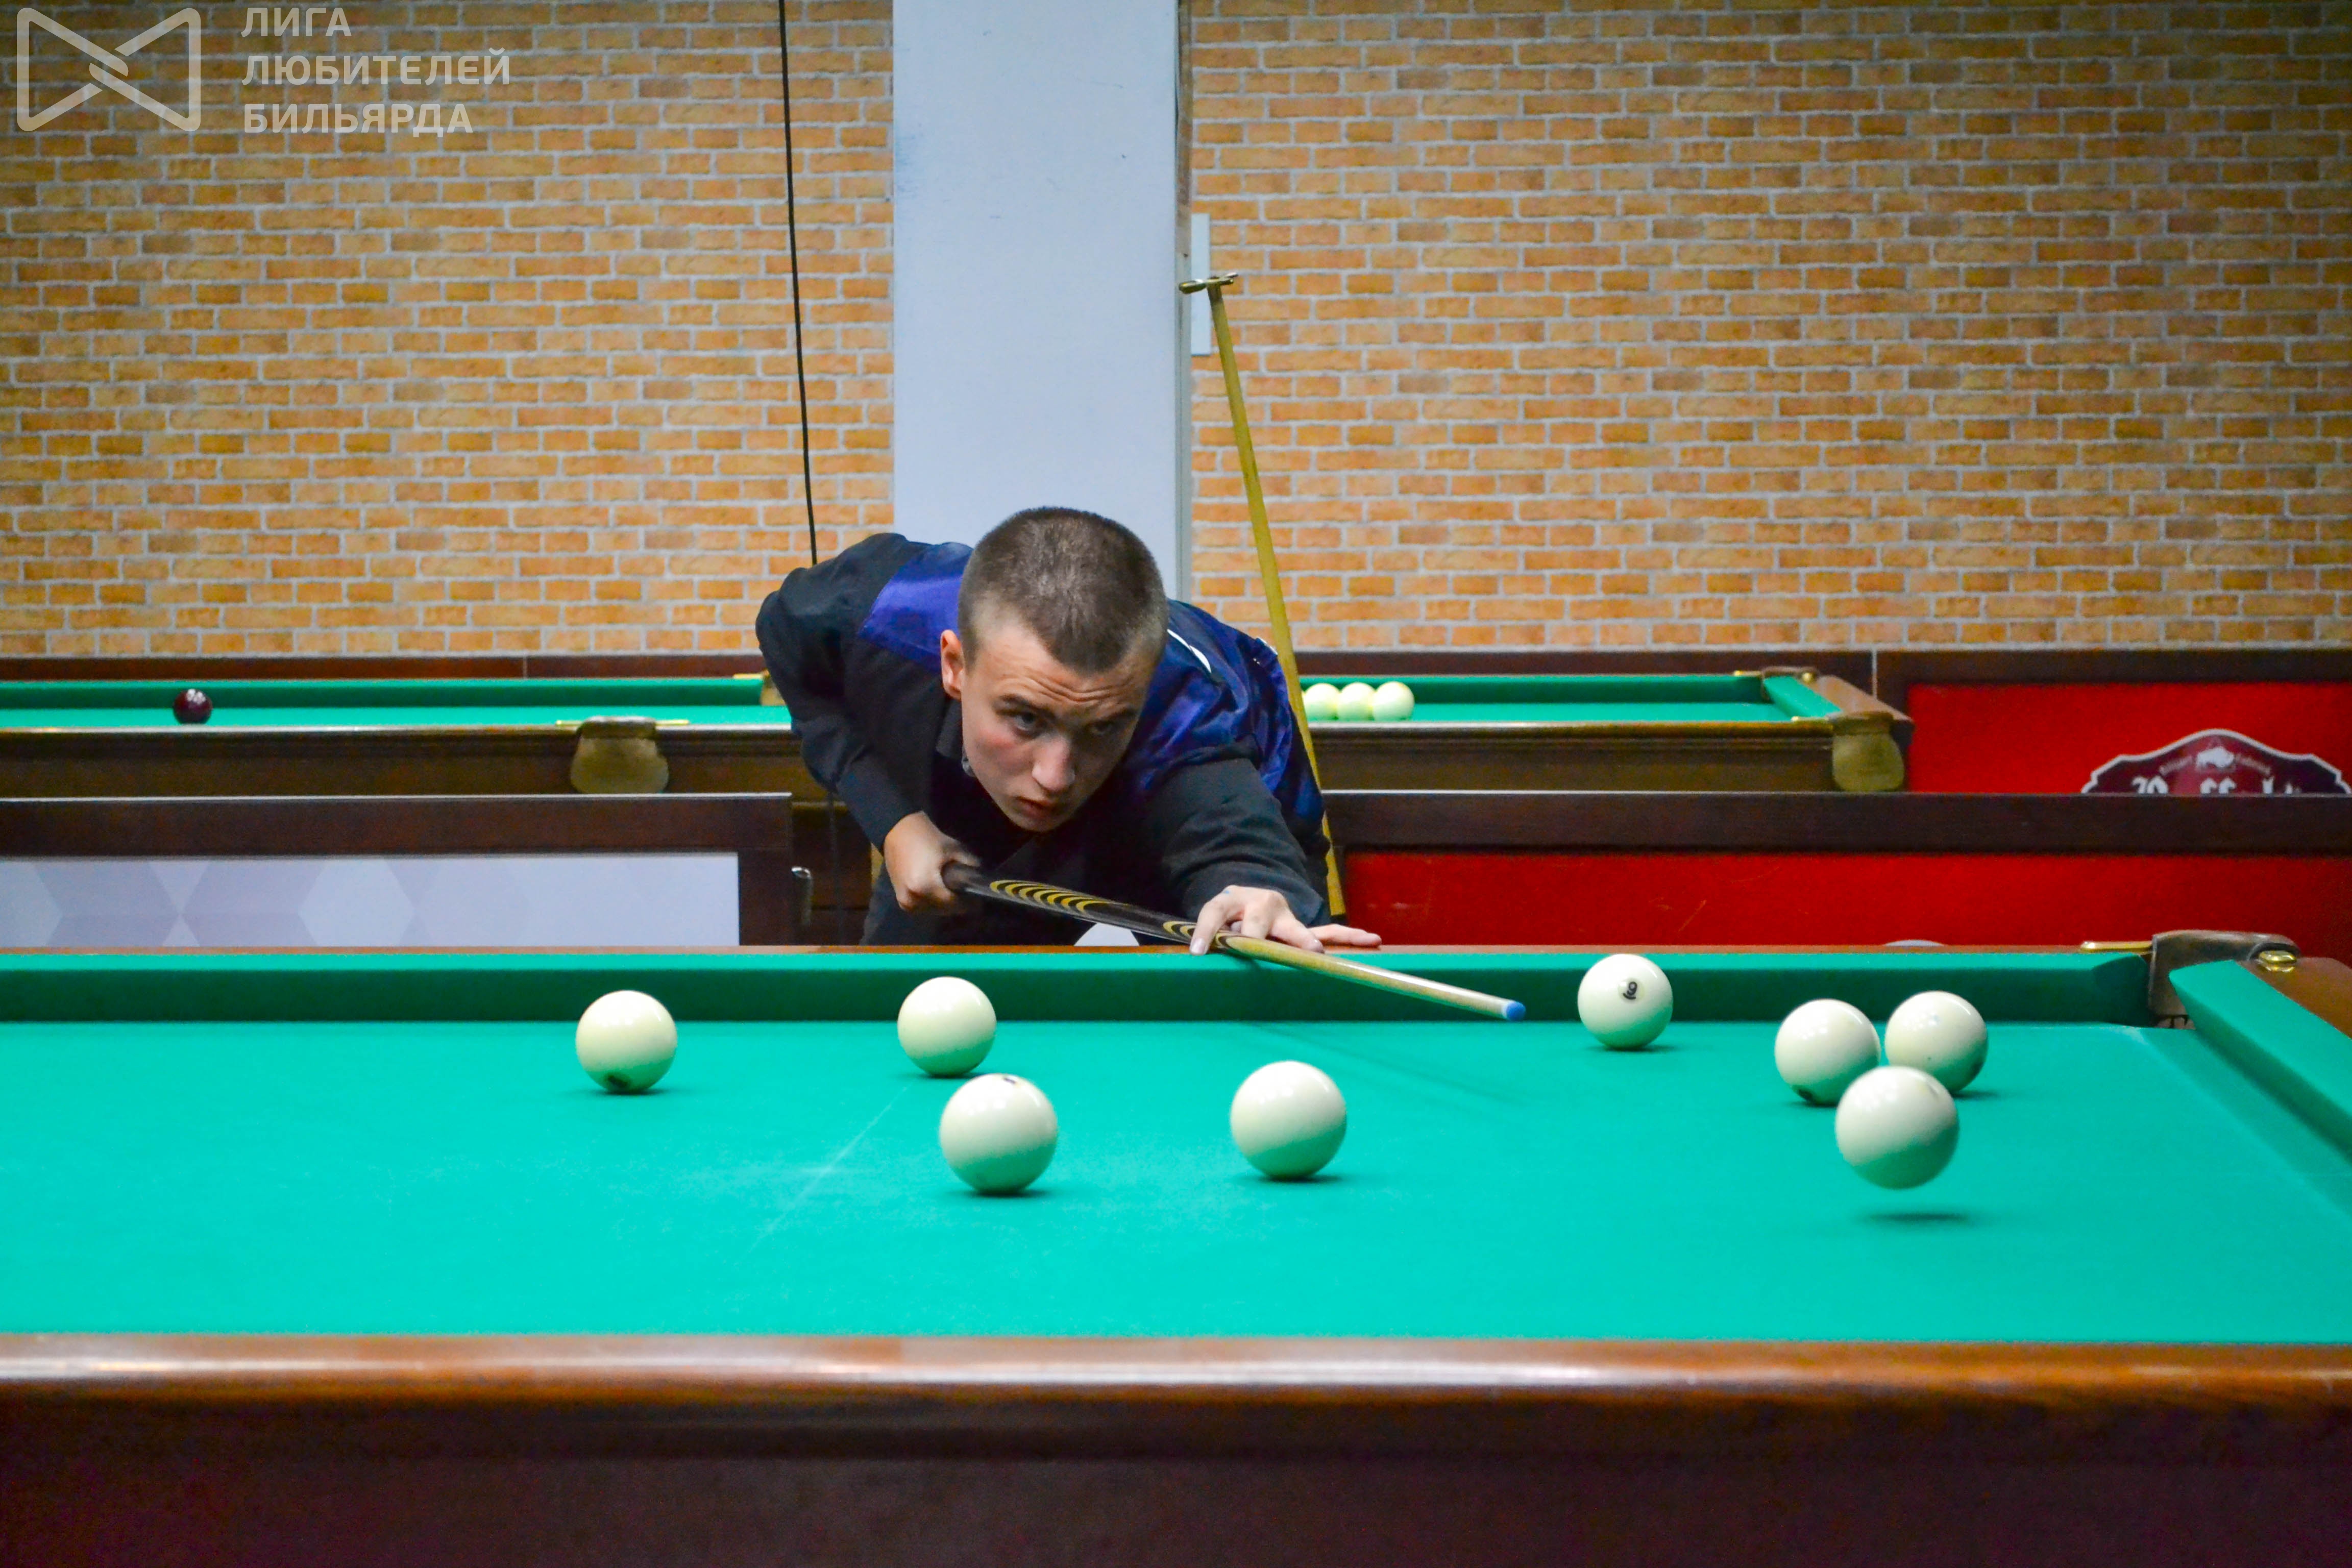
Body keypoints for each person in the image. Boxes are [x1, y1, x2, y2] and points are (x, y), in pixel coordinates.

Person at [755, 506, 1379, 954]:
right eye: (1026, 718)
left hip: (1150, 824)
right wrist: (893, 820)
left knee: (1239, 986)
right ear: (955, 665)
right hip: (960, 825)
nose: (1054, 778)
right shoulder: (879, 613)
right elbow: (785, 636)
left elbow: (1238, 847)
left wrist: (1260, 896)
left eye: (1103, 727)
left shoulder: (1185, 726)